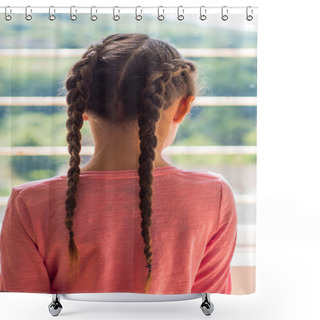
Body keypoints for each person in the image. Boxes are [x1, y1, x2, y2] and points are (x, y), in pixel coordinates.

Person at [0, 33, 237, 295]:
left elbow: (23, 311)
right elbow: (211, 308)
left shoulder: (29, 203)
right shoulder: (213, 196)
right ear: (183, 108)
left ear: (83, 109)